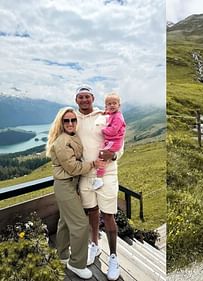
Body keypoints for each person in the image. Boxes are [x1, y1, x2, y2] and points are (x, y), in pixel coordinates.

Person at [46, 107, 104, 279]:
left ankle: (62, 255)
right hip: (65, 186)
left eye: (73, 120)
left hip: (69, 185)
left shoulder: (72, 137)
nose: (70, 123)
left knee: (64, 221)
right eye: (66, 121)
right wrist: (94, 164)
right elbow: (73, 168)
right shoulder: (62, 142)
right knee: (80, 224)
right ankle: (76, 263)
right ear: (61, 123)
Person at [74, 86, 122, 280]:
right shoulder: (73, 119)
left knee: (108, 214)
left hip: (107, 173)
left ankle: (113, 257)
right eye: (81, 97)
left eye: (87, 96)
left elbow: (119, 138)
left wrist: (116, 154)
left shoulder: (105, 116)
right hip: (87, 173)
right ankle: (94, 244)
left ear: (93, 98)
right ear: (76, 100)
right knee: (91, 211)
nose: (84, 100)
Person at [93, 93, 126, 189]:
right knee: (103, 155)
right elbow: (110, 115)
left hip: (114, 142)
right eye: (109, 104)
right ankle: (99, 177)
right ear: (106, 106)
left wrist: (103, 130)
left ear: (119, 106)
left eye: (114, 103)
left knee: (102, 155)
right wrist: (105, 113)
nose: (112, 105)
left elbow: (113, 130)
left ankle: (99, 178)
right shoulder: (113, 114)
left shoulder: (118, 117)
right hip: (112, 141)